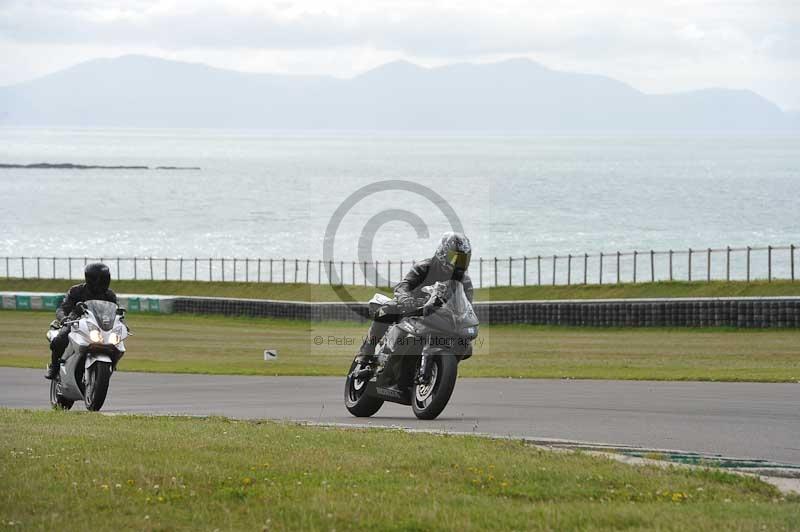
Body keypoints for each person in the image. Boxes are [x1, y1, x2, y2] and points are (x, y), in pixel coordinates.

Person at [355, 231, 474, 364]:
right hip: (412, 308)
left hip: (441, 317)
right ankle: (367, 350)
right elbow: (404, 285)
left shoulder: (465, 281)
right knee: (386, 310)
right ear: (442, 253)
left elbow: (466, 306)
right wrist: (405, 299)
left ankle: (439, 367)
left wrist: (463, 319)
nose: (458, 263)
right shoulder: (425, 267)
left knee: (466, 345)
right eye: (455, 258)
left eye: (463, 260)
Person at [45, 263, 118, 379]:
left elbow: (115, 311)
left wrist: (121, 322)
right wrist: (64, 318)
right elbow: (62, 308)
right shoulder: (76, 291)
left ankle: (110, 365)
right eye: (99, 279)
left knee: (116, 342)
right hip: (76, 323)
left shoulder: (109, 295)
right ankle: (54, 366)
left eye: (104, 278)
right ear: (90, 279)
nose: (101, 282)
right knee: (60, 339)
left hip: (99, 326)